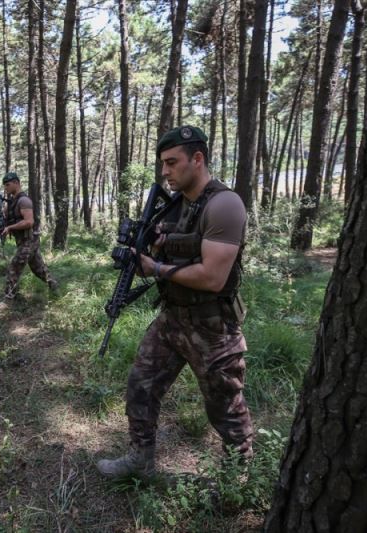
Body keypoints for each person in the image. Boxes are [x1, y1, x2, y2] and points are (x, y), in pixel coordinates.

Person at [97, 126, 253, 479]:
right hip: (172, 319)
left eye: (172, 163)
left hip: (213, 327)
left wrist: (158, 268)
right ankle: (141, 458)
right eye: (162, 164)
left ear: (197, 159)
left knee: (225, 407)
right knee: (141, 387)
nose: (165, 172)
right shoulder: (172, 208)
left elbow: (213, 277)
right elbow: (156, 260)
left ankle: (237, 480)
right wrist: (139, 259)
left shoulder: (224, 204)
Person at [1, 172, 57, 299]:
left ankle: (8, 299)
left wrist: (10, 227)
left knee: (13, 267)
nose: (6, 188)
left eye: (8, 184)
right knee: (38, 269)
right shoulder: (13, 202)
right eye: (4, 185)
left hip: (29, 240)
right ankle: (55, 287)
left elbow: (29, 222)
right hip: (24, 241)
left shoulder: (24, 200)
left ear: (16, 183)